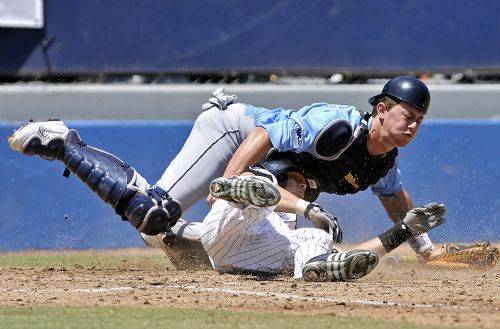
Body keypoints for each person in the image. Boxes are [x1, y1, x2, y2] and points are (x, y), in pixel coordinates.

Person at [7, 76, 437, 260]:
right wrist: (229, 182)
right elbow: (263, 135)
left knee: (199, 250)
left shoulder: (382, 163)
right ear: (381, 109)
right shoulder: (338, 124)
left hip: (270, 175)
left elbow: (396, 201)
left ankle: (169, 223)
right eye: (408, 114)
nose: (414, 124)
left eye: (420, 118)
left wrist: (427, 251)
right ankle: (64, 143)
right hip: (235, 133)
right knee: (154, 214)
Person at [200, 168, 446, 281]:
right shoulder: (268, 177)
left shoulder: (288, 233)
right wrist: (307, 207)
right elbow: (254, 181)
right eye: (300, 183)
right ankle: (238, 190)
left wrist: (403, 230)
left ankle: (316, 269)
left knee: (317, 239)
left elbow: (352, 256)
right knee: (258, 185)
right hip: (229, 222)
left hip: (241, 256)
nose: (305, 190)